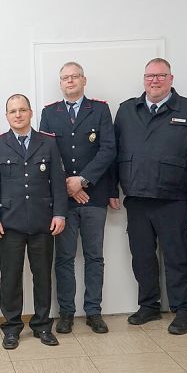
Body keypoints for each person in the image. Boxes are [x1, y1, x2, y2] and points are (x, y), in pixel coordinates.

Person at [112, 58, 187, 335]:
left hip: (174, 198)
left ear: (171, 78)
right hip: (137, 198)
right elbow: (113, 153)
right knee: (142, 256)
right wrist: (112, 191)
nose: (154, 81)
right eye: (149, 76)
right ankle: (149, 306)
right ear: (143, 79)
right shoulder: (126, 110)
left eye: (160, 76)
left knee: (177, 257)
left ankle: (183, 310)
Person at [0, 94, 67, 350]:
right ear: (6, 116)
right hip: (10, 224)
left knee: (42, 276)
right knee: (10, 277)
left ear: (30, 113)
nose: (17, 115)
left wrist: (60, 213)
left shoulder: (48, 143)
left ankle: (42, 325)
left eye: (22, 110)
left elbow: (58, 183)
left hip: (43, 221)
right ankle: (12, 327)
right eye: (12, 111)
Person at [39, 62, 116, 334]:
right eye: (64, 78)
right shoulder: (50, 113)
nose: (69, 81)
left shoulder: (100, 109)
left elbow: (108, 150)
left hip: (93, 196)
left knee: (95, 257)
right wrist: (68, 186)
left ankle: (94, 311)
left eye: (74, 77)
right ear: (60, 83)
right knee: (64, 258)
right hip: (63, 200)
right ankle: (67, 313)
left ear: (84, 80)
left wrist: (81, 181)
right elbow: (46, 153)